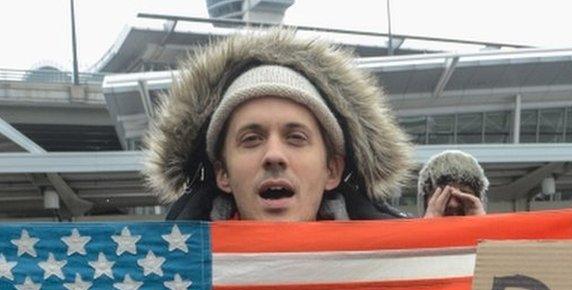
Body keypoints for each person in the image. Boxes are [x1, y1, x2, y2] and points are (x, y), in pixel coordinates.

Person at [143, 29, 412, 221]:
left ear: (332, 169)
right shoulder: (166, 280)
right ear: (222, 173)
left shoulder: (408, 268)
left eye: (296, 137)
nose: (274, 155)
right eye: (251, 139)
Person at [417, 150, 489, 217]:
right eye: (442, 194)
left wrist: (481, 225)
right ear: (425, 203)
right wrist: (429, 225)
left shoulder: (498, 230)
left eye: (464, 193)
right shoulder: (406, 229)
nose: (453, 204)